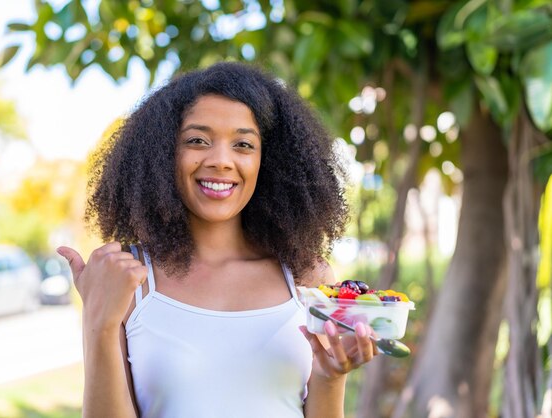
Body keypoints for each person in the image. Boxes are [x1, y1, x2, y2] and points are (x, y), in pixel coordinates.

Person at [57, 62, 376, 418]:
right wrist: (98, 321)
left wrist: (330, 376)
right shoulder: (131, 279)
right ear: (164, 154)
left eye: (243, 144)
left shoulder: (307, 278)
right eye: (197, 140)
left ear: (267, 160)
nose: (221, 161)